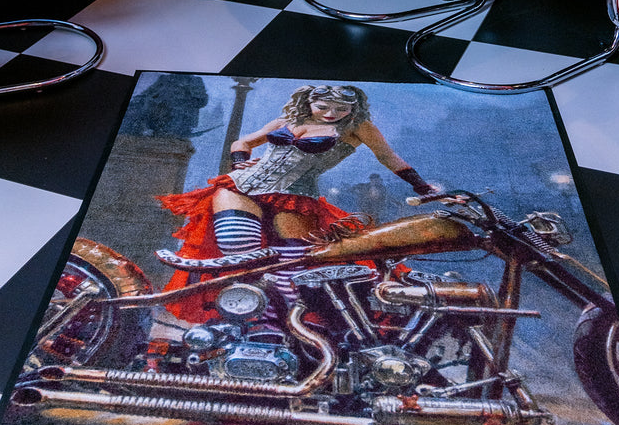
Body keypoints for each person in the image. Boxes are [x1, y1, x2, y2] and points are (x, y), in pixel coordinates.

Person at [158, 84, 435, 321]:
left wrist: (423, 187)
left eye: (341, 108)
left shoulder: (358, 127)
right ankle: (254, 319)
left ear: (354, 107)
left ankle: (288, 324)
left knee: (288, 266)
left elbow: (388, 157)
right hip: (241, 186)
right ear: (309, 101)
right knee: (238, 248)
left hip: (296, 196)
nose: (331, 113)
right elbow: (242, 142)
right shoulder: (284, 122)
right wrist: (240, 164)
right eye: (324, 106)